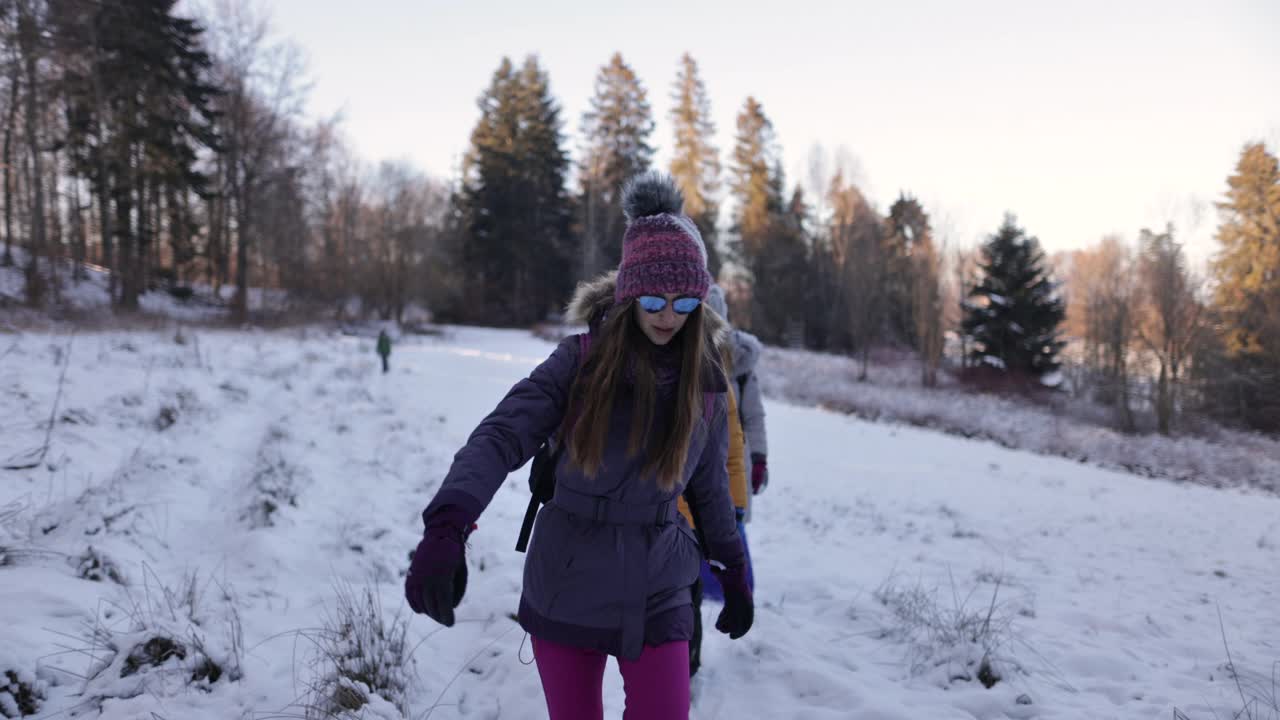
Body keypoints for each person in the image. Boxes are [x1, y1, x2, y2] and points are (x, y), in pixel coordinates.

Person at [403, 171, 753, 720]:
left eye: (686, 304)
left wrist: (732, 567)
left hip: (660, 581)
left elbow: (707, 489)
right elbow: (501, 435)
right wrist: (448, 527)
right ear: (631, 292)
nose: (669, 317)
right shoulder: (579, 363)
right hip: (568, 577)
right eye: (656, 300)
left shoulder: (703, 380)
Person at [680, 285, 754, 677]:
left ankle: (688, 657)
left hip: (702, 511)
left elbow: (732, 450)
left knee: (687, 592)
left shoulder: (720, 378)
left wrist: (736, 507)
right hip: (664, 514)